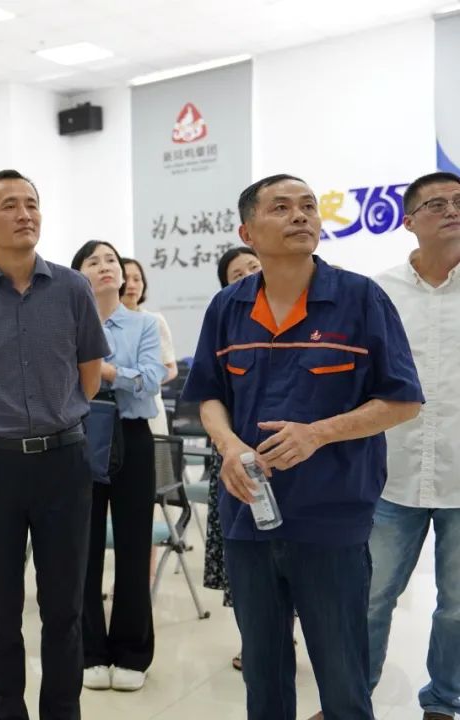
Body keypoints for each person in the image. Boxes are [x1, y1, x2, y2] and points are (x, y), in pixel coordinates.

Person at [181, 174, 423, 719]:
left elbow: (403, 401)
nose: (301, 216)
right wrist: (228, 444)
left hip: (331, 518)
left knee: (342, 677)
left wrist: (318, 433)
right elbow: (208, 396)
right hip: (248, 517)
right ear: (247, 232)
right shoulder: (227, 307)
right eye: (282, 207)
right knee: (263, 674)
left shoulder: (360, 299)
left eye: (309, 206)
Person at [0, 169, 108, 720]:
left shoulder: (74, 289)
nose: (25, 213)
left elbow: (89, 378)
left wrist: (53, 419)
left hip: (64, 462)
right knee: (0, 611)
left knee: (64, 609)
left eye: (32, 203)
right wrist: (2, 427)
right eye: (10, 205)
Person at [368, 171, 460, 720]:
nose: (452, 210)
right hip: (392, 472)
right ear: (409, 221)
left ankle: (444, 701)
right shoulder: (379, 292)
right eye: (437, 204)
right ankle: (350, 697)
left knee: (457, 608)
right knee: (370, 598)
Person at [71, 241, 166, 692]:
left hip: (132, 438)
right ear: (79, 275)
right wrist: (114, 373)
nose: (106, 267)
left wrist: (102, 371)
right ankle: (89, 651)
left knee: (133, 546)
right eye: (94, 261)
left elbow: (150, 380)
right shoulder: (70, 323)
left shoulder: (144, 324)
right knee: (83, 548)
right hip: (81, 437)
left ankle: (132, 652)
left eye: (111, 260)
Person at [203, 245, 263, 672]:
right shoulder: (223, 320)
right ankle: (255, 639)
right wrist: (229, 443)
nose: (247, 276)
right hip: (232, 454)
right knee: (243, 559)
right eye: (236, 274)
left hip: (291, 456)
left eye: (252, 267)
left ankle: (287, 632)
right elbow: (209, 394)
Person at [119, 257, 177, 435]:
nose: (131, 285)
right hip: (116, 406)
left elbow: (171, 368)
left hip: (149, 403)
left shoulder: (155, 320)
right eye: (125, 279)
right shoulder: (104, 321)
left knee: (154, 450)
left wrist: (145, 381)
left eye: (137, 279)